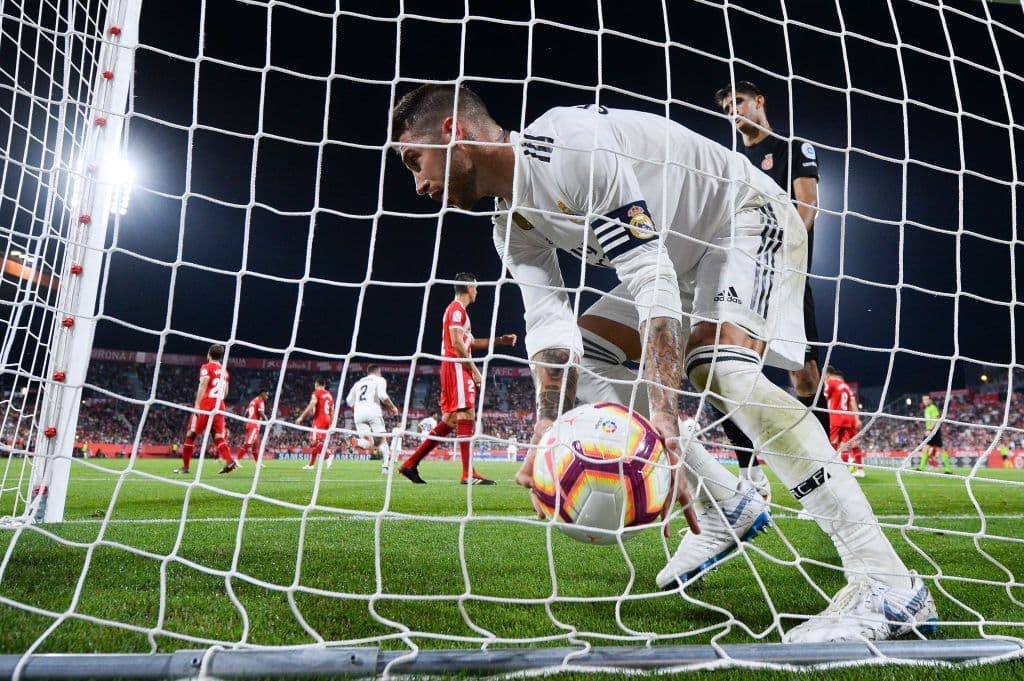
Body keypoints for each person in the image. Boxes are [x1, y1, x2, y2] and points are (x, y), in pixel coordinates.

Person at [390, 84, 936, 642]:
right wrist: (545, 427)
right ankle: (726, 502)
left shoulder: (569, 147)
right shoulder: (511, 223)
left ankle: (887, 581)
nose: (418, 184)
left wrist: (667, 424)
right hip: (681, 254)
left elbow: (652, 281)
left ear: (454, 132)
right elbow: (550, 329)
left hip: (742, 215)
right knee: (591, 359)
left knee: (722, 371)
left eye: (415, 160)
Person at [713, 80, 826, 498]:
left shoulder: (795, 148)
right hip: (737, 280)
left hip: (786, 277)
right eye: (726, 107)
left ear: (759, 101)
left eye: (737, 101)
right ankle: (750, 473)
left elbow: (807, 209)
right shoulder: (728, 161)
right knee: (720, 368)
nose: (732, 111)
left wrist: (776, 255)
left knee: (803, 376)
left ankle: (823, 463)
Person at [398, 273, 517, 484]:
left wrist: (500, 341)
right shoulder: (455, 310)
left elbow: (470, 342)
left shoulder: (461, 313)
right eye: (476, 288)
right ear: (469, 288)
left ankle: (410, 464)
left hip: (453, 365)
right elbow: (456, 344)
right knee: (466, 413)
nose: (477, 291)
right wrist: (473, 369)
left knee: (451, 420)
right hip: (456, 366)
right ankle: (467, 473)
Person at [174, 343, 238, 475]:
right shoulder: (224, 371)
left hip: (206, 404)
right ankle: (230, 461)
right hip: (219, 405)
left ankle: (185, 467)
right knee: (217, 435)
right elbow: (225, 392)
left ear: (209, 354)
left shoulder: (206, 367)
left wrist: (197, 404)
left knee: (191, 434)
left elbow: (203, 384)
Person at [345, 365, 399, 473]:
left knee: (369, 443)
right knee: (382, 440)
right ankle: (385, 467)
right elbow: (383, 396)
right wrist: (393, 407)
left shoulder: (358, 383)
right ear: (378, 372)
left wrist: (360, 407)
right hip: (373, 411)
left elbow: (349, 401)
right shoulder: (379, 379)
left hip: (358, 414)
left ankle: (354, 441)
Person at [823, 367, 864, 477]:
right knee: (847, 445)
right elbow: (852, 401)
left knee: (831, 444)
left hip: (835, 416)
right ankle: (857, 470)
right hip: (847, 417)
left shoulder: (830, 382)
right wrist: (857, 418)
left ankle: (832, 470)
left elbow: (824, 399)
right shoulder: (845, 386)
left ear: (828, 374)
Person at [295, 378, 335, 470]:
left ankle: (328, 455)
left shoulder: (316, 393)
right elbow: (332, 410)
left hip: (319, 419)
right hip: (327, 419)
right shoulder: (329, 395)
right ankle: (311, 465)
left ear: (316, 384)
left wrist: (301, 417)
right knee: (317, 443)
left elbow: (312, 404)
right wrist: (332, 423)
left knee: (314, 442)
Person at [919, 395, 952, 474]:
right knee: (925, 448)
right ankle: (921, 468)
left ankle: (948, 469)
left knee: (939, 449)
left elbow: (936, 419)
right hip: (930, 430)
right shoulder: (926, 409)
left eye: (927, 399)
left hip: (934, 431)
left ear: (930, 400)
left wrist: (929, 429)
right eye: (924, 400)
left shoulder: (933, 408)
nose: (925, 401)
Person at [238, 389, 270, 466]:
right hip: (254, 425)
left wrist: (248, 421)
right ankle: (237, 460)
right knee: (248, 443)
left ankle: (258, 463)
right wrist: (268, 421)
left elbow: (246, 413)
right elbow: (261, 413)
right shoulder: (260, 401)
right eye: (266, 395)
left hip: (251, 424)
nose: (267, 397)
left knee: (255, 447)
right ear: (262, 394)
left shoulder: (252, 401)